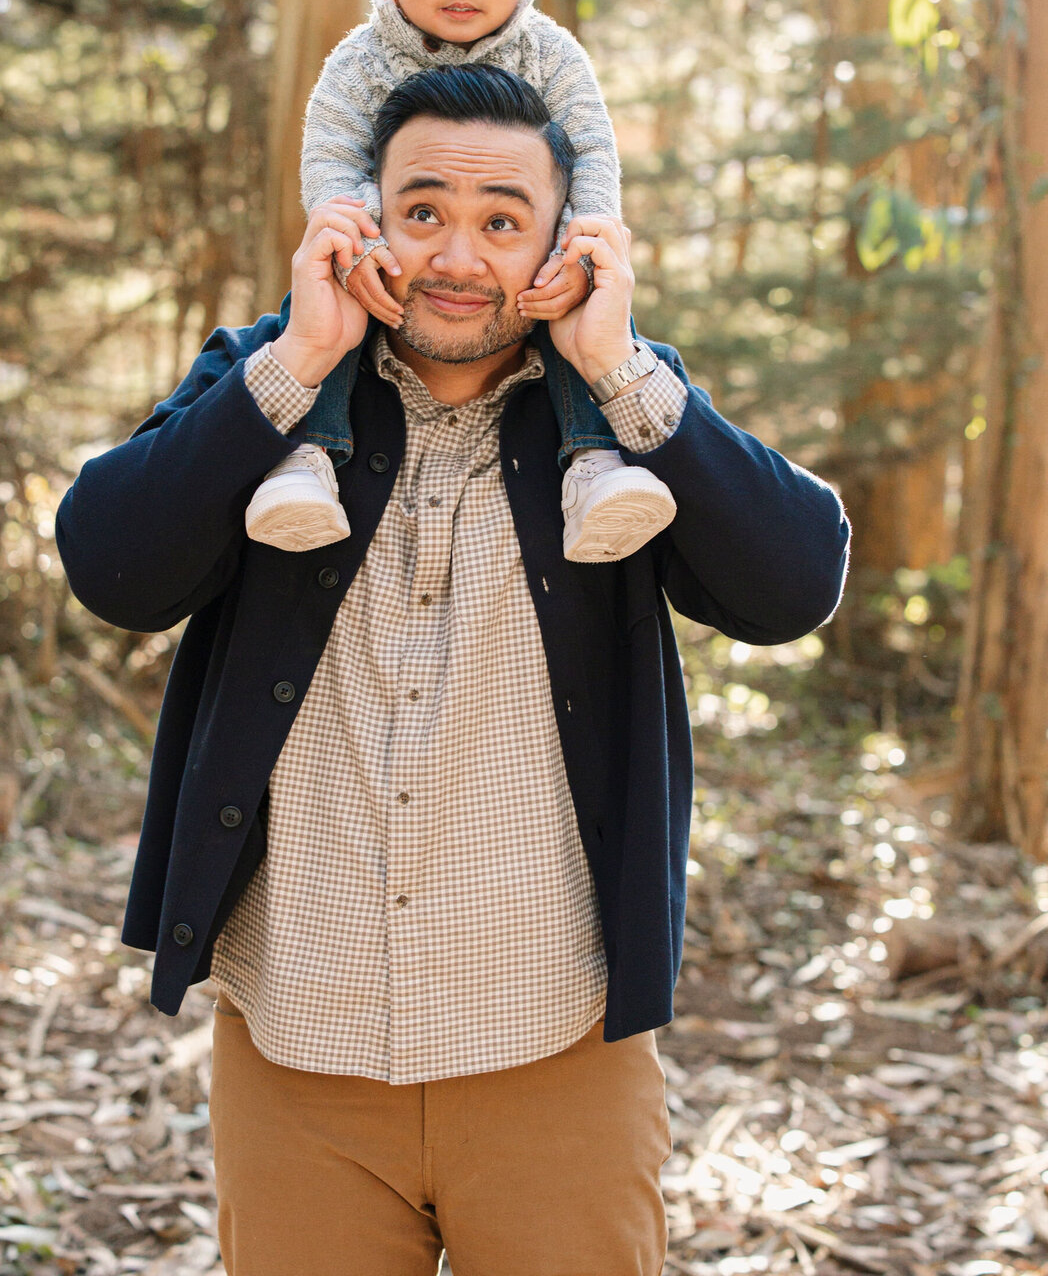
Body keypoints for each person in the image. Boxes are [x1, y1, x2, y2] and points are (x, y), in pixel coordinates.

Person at [55, 64, 850, 1276]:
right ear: (365, 215)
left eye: (501, 220)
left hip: (556, 1051)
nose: (458, 256)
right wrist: (296, 360)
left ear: (558, 239)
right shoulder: (275, 386)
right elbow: (112, 565)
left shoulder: (617, 413)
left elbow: (795, 585)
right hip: (298, 1061)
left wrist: (626, 366)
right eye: (422, 212)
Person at [243, 0, 678, 564]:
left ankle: (593, 465)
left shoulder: (551, 55)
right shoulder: (360, 63)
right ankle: (307, 458)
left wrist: (583, 236)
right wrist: (362, 238)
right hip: (378, 264)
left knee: (565, 307)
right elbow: (331, 158)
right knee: (329, 295)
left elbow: (594, 151)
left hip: (534, 269)